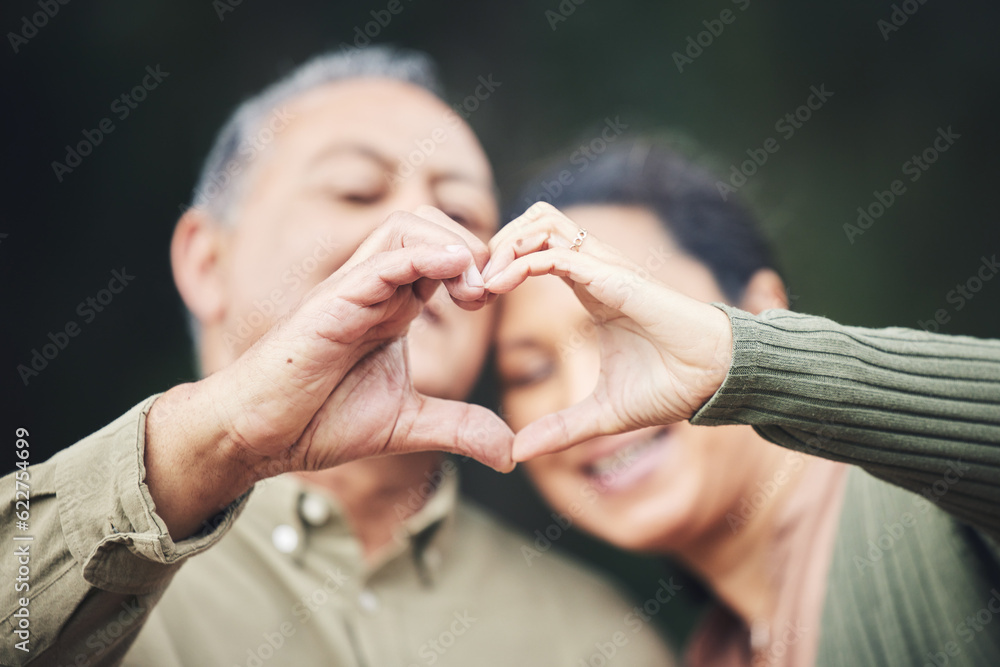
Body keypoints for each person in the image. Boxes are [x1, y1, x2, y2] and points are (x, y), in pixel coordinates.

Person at [0, 51, 675, 666]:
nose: (420, 229)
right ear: (206, 261)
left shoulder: (599, 638)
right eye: (355, 191)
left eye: (463, 211)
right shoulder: (55, 571)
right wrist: (225, 438)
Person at [487, 139, 1000, 666]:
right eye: (530, 372)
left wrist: (744, 359)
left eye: (626, 322)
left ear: (761, 308)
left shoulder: (936, 509)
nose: (581, 394)